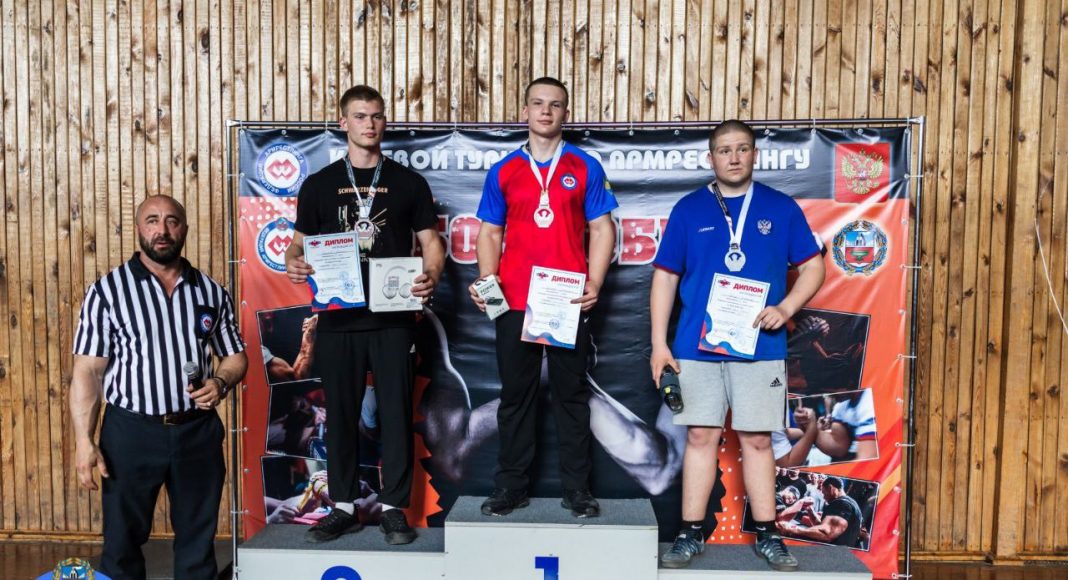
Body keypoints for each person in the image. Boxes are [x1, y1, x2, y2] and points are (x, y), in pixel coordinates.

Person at [650, 119, 825, 570]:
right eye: (724, 150)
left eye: (742, 149)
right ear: (711, 157)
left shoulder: (781, 208)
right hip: (696, 346)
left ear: (754, 155)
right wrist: (658, 344)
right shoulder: (689, 209)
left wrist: (786, 308)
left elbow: (813, 267)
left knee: (758, 439)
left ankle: (769, 534)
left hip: (760, 346)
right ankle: (690, 532)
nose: (733, 157)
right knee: (700, 436)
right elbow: (665, 277)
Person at [284, 84, 445, 545]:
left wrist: (431, 275)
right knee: (340, 414)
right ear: (343, 123)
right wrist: (293, 262)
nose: (369, 124)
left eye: (376, 116)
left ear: (384, 122)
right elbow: (297, 245)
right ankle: (342, 506)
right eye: (359, 116)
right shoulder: (318, 185)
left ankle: (394, 509)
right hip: (338, 319)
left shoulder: (408, 182)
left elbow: (431, 244)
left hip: (394, 317)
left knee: (395, 413)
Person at [69, 195, 248, 580]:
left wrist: (220, 382)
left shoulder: (210, 291)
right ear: (139, 228)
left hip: (197, 431)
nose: (162, 230)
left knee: (198, 543)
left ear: (185, 229)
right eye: (152, 220)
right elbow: (88, 371)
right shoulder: (108, 291)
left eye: (172, 221)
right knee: (121, 544)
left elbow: (235, 356)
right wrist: (85, 441)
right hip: (131, 433)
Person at [468, 76, 618, 518]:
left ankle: (578, 490)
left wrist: (595, 282)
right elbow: (490, 233)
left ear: (565, 113)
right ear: (526, 112)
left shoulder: (585, 166)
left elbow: (603, 229)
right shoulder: (504, 170)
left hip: (566, 299)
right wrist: (486, 281)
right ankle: (510, 488)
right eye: (538, 103)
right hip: (515, 299)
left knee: (571, 397)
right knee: (516, 397)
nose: (546, 111)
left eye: (555, 104)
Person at [777, 476, 862, 547]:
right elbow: (821, 528)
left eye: (824, 493)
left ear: (830, 488)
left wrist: (793, 529)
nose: (824, 497)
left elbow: (826, 533)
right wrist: (810, 510)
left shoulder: (842, 504)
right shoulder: (851, 503)